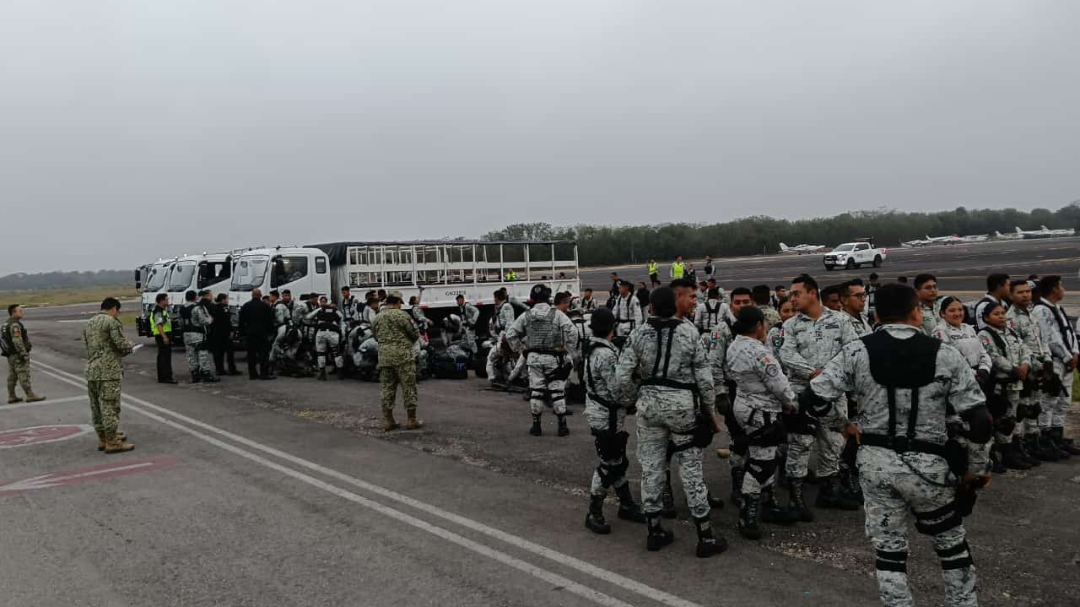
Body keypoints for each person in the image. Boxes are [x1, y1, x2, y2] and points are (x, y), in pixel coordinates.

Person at [803, 283, 989, 607]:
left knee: (889, 553)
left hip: (876, 463)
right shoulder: (945, 353)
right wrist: (976, 469)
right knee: (951, 546)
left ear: (875, 315)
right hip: (930, 467)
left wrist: (844, 426)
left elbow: (813, 399)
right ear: (917, 312)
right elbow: (981, 420)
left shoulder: (856, 351)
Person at [615, 286, 726, 558]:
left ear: (650, 308)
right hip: (682, 407)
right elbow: (705, 379)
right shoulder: (689, 332)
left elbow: (621, 376)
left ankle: (654, 531)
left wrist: (631, 398)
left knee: (652, 468)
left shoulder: (639, 333)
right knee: (690, 470)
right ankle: (705, 535)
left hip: (649, 406)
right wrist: (710, 414)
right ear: (674, 305)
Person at [778, 274, 860, 519]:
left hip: (834, 393)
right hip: (802, 392)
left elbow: (852, 350)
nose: (792, 299)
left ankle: (829, 490)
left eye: (796, 294)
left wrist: (830, 375)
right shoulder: (790, 325)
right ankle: (796, 497)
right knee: (800, 443)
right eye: (791, 295)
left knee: (833, 442)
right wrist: (812, 372)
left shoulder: (840, 320)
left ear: (812, 293)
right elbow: (787, 354)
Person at [726, 306, 798, 538]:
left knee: (764, 455)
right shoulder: (759, 351)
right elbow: (779, 385)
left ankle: (768, 503)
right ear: (758, 325)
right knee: (761, 464)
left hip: (744, 405)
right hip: (761, 411)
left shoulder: (734, 345)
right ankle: (748, 514)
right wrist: (790, 403)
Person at [582, 307, 647, 534]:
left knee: (617, 460)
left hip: (600, 412)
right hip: (607, 416)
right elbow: (617, 390)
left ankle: (627, 504)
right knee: (609, 465)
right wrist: (634, 396)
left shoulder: (591, 348)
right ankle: (594, 512)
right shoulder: (607, 354)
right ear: (612, 327)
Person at [506, 284, 576, 437]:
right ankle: (562, 426)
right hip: (553, 357)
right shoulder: (557, 314)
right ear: (548, 298)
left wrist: (521, 349)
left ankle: (536, 426)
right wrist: (566, 348)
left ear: (532, 298)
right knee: (557, 391)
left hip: (534, 358)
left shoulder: (527, 315)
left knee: (536, 391)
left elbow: (510, 334)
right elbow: (572, 331)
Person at [978, 302, 1033, 471]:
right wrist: (1014, 369)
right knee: (1002, 421)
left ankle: (1010, 452)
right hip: (999, 385)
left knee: (1014, 418)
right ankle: (996, 455)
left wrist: (1025, 365)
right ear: (987, 317)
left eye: (1003, 313)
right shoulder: (984, 335)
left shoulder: (1011, 332)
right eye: (996, 314)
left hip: (1016, 383)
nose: (1001, 316)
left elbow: (1025, 349)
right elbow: (993, 356)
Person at [1005, 279, 1056, 462]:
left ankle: (1033, 441)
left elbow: (1043, 340)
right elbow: (1018, 347)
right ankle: (1019, 445)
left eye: (1027, 291)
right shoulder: (1010, 318)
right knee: (1022, 408)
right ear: (1011, 295)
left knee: (1035, 406)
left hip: (1041, 366)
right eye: (1020, 292)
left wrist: (1048, 362)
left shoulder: (1032, 314)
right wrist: (1034, 367)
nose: (1025, 295)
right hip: (1025, 368)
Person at [1032, 276, 1080, 456]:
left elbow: (1068, 332)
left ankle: (1057, 435)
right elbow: (1050, 338)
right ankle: (1045, 438)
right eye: (1061, 286)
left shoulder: (1056, 308)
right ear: (1053, 289)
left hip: (1067, 360)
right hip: (1056, 361)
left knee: (1063, 401)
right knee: (1049, 400)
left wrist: (1075, 352)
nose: (1063, 288)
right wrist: (1067, 356)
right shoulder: (1041, 310)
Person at [83, 298, 135, 453]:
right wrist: (130, 346)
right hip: (108, 370)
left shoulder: (89, 323)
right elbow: (120, 344)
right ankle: (112, 442)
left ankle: (103, 438)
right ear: (114, 309)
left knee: (97, 407)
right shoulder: (111, 322)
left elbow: (88, 346)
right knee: (110, 406)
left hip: (92, 370)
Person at [372, 291, 421, 431]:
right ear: (398, 302)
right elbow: (414, 334)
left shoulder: (378, 317)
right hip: (403, 357)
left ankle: (389, 420)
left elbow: (375, 335)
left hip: (384, 358)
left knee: (387, 388)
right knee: (409, 387)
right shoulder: (403, 315)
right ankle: (411, 419)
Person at [2, 304, 44, 403]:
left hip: (10, 354)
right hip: (17, 355)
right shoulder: (15, 325)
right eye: (20, 310)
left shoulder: (6, 324)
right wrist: (23, 353)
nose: (22, 312)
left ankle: (11, 396)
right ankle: (30, 395)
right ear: (13, 312)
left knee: (12, 375)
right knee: (23, 374)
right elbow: (17, 340)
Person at [239, 289, 276, 380]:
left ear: (252, 295)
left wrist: (243, 333)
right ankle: (264, 373)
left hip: (250, 333)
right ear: (260, 295)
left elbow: (241, 321)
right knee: (263, 354)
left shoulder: (246, 306)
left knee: (251, 354)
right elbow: (269, 321)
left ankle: (252, 374)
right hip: (262, 333)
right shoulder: (265, 306)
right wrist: (271, 332)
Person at [182, 290, 217, 383]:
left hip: (186, 334)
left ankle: (194, 373)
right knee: (202, 354)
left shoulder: (182, 308)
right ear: (195, 297)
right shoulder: (198, 307)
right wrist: (210, 320)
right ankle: (206, 373)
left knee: (191, 355)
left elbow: (180, 322)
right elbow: (203, 321)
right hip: (198, 334)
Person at [314, 295, 345, 380]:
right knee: (336, 353)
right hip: (333, 333)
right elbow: (342, 319)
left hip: (321, 333)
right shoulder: (335, 311)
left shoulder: (319, 310)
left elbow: (311, 319)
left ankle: (322, 374)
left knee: (321, 353)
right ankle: (340, 373)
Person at [209, 293, 240, 377]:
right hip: (224, 333)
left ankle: (219, 369)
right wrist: (231, 331)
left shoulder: (213, 307)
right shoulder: (224, 308)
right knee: (229, 352)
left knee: (218, 352)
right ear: (223, 299)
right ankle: (232, 369)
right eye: (227, 299)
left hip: (215, 332)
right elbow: (227, 321)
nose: (228, 300)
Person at [149, 294, 177, 384]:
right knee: (165, 357)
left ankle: (163, 377)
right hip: (162, 335)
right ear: (161, 301)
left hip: (162, 335)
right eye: (166, 299)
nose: (168, 301)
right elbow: (159, 324)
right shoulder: (158, 311)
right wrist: (164, 337)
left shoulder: (162, 310)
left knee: (162, 356)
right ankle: (166, 377)